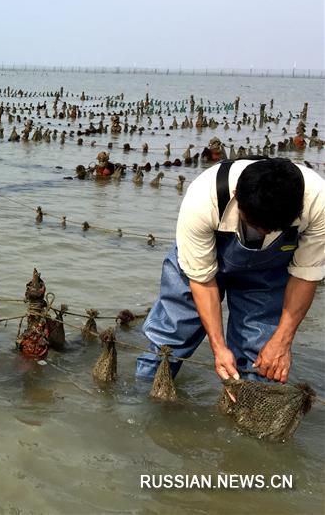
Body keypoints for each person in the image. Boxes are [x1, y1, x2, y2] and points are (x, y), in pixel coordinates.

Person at [136, 157, 324, 384]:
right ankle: (142, 394)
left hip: (269, 269)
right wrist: (218, 348)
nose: (263, 233)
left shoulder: (318, 202)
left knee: (261, 352)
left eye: (272, 229)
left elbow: (305, 275)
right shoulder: (203, 198)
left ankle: (247, 406)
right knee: (174, 333)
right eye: (256, 225)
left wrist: (282, 342)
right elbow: (202, 279)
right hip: (204, 258)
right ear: (236, 195)